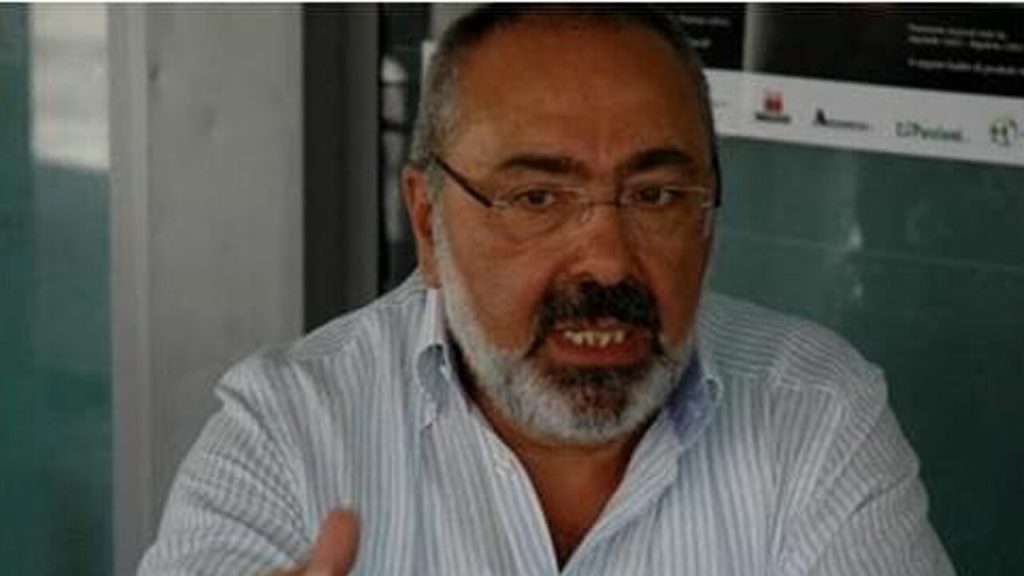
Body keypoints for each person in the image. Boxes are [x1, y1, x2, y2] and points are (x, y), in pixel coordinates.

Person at [138, 5, 954, 575]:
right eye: (536, 199)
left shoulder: (814, 412)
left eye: (656, 196)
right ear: (428, 222)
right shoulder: (289, 431)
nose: (607, 261)